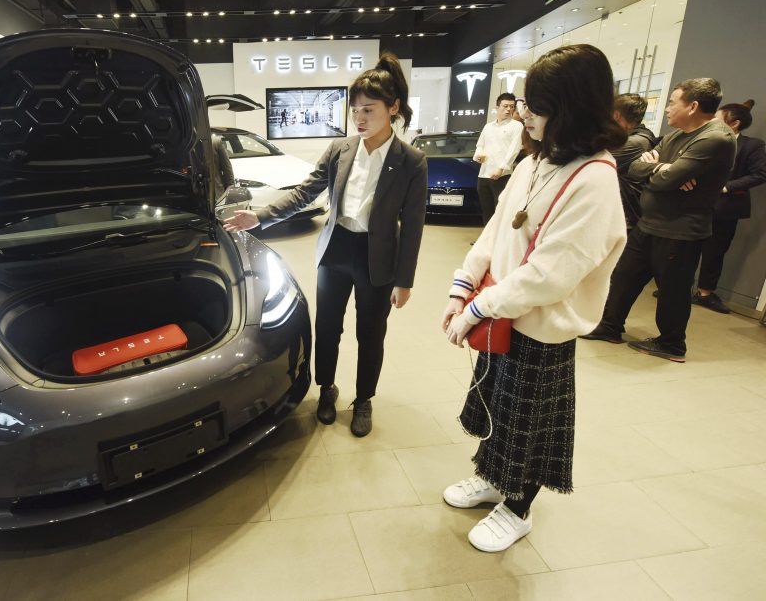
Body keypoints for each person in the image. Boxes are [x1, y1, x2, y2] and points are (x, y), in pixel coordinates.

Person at [440, 44, 627, 553]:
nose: (524, 114)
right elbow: (495, 230)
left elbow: (549, 277)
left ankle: (518, 506)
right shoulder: (537, 160)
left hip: (540, 328)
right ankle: (492, 476)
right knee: (495, 407)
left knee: (529, 426)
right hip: (503, 313)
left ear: (570, 108)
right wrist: (463, 286)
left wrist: (476, 308)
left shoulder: (595, 179)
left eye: (536, 105)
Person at [223, 52, 427, 437]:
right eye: (355, 110)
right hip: (336, 250)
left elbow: (414, 225)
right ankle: (327, 389)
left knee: (371, 334)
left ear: (393, 108)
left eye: (369, 110)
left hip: (378, 259)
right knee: (328, 328)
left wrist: (405, 280)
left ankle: (363, 399)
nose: (359, 118)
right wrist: (260, 216)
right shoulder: (340, 150)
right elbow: (304, 193)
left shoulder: (411, 161)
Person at [582, 78, 736, 361]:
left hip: (681, 229)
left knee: (672, 291)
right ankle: (609, 326)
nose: (667, 108)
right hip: (650, 222)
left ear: (692, 106)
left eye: (672, 102)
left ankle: (672, 344)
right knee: (624, 276)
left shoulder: (716, 138)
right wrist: (663, 169)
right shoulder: (677, 134)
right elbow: (635, 167)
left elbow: (667, 179)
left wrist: (663, 171)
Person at [693, 99, 766, 313]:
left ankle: (705, 294)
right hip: (695, 204)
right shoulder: (706, 139)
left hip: (725, 208)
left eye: (717, 119)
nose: (712, 122)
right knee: (685, 249)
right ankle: (676, 287)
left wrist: (727, 187)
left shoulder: (752, 145)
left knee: (714, 252)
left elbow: (761, 173)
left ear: (734, 123)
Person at [474, 93, 524, 224]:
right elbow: (480, 145)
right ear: (497, 107)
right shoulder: (488, 126)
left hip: (502, 175)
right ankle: (487, 235)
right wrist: (478, 155)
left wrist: (501, 169)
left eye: (511, 107)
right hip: (484, 174)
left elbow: (514, 150)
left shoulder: (516, 126)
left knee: (500, 210)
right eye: (505, 106)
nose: (508, 109)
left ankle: (498, 236)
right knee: (486, 210)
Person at [611, 93, 657, 228]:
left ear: (616, 115)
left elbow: (590, 158)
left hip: (626, 217)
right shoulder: (637, 138)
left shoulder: (637, 142)